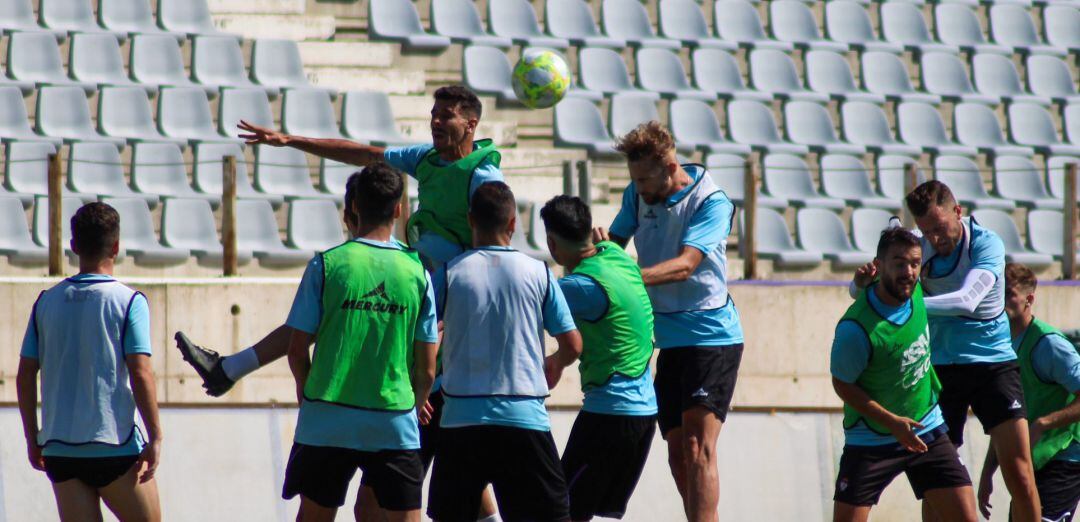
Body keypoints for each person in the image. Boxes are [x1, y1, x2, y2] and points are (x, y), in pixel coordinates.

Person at [851, 181, 1041, 521]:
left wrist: (907, 301)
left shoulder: (986, 245)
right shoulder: (917, 246)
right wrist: (862, 282)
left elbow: (968, 300)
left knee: (1020, 473)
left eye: (940, 228)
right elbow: (859, 290)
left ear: (958, 212)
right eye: (927, 231)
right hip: (938, 369)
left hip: (993, 366)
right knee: (938, 479)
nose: (935, 239)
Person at [593, 121, 742, 522]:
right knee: (677, 451)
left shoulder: (711, 201)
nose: (638, 187)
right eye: (634, 179)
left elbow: (686, 266)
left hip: (710, 334)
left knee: (697, 446)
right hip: (666, 339)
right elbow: (615, 245)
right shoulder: (637, 194)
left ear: (669, 165)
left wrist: (626, 276)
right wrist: (596, 254)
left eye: (644, 178)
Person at [280, 163, 439, 522]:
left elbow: (295, 349)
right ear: (399, 210)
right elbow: (427, 369)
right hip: (393, 418)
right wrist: (420, 400)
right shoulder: (417, 272)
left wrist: (307, 392)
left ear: (353, 207)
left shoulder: (326, 264)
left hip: (327, 415)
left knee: (315, 514)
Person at [427, 182, 583, 522]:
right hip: (523, 416)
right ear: (513, 224)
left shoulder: (450, 273)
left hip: (461, 419)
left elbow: (421, 336)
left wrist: (422, 384)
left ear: (471, 220)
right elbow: (572, 344)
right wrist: (554, 364)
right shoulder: (539, 272)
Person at [17, 202, 163, 522]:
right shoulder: (129, 301)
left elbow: (26, 375)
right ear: (116, 246)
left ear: (74, 246)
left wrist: (33, 437)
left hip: (60, 447)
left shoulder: (46, 300)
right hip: (113, 443)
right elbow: (140, 372)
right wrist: (155, 436)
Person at [831, 227, 977, 522]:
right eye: (898, 263)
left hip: (926, 427)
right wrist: (892, 423)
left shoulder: (916, 289)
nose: (909, 271)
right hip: (871, 438)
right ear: (879, 265)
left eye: (914, 263)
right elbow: (842, 384)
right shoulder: (855, 328)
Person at [539, 195, 657, 522]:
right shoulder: (617, 255)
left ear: (551, 243)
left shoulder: (579, 287)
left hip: (610, 417)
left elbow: (527, 304)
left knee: (561, 512)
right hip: (643, 415)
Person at [978, 263, 1080, 521]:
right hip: (1031, 462)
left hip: (1063, 458)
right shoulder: (1001, 345)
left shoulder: (1049, 345)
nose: (1001, 301)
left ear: (1029, 299)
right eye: (998, 292)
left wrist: (1043, 424)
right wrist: (988, 472)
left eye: (1009, 293)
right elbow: (1006, 416)